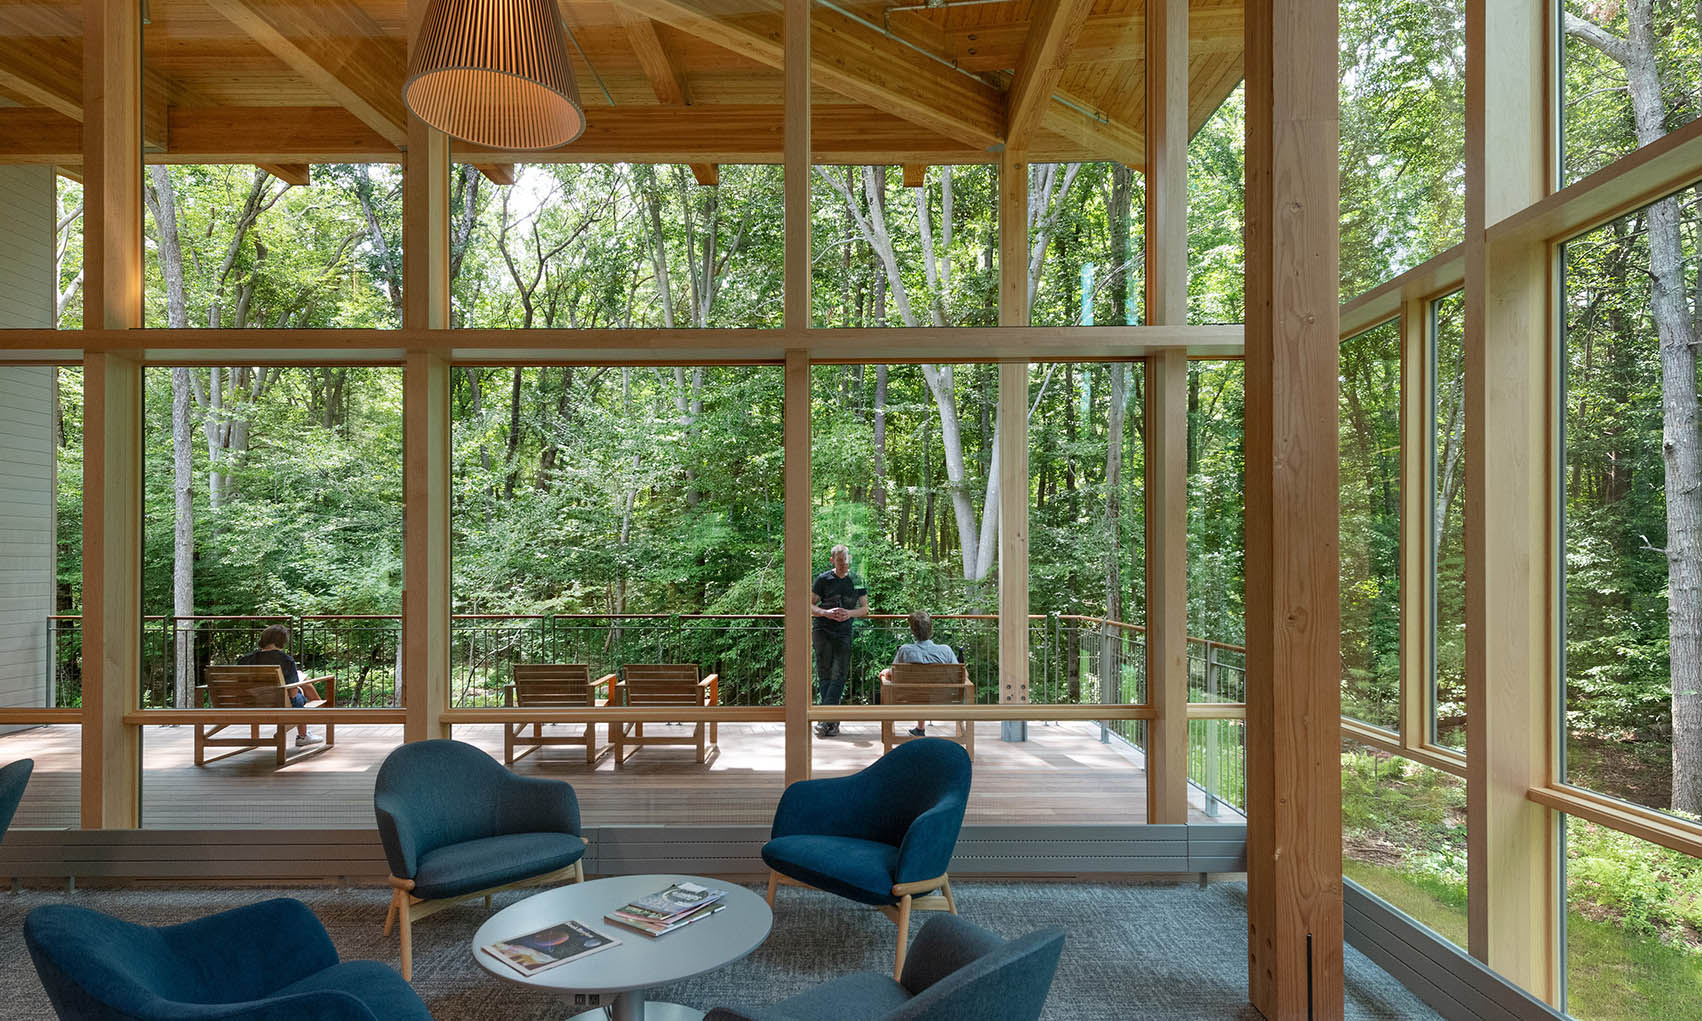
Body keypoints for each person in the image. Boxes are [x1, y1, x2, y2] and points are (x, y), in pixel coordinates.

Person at [810, 544, 868, 737]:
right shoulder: (823, 579)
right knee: (825, 674)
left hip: (844, 632)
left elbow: (864, 609)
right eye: (840, 560)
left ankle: (824, 721)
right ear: (832, 560)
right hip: (822, 630)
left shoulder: (857, 579)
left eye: (846, 559)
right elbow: (808, 605)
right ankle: (831, 723)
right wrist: (825, 612)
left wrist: (849, 613)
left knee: (839, 675)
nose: (844, 563)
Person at [239, 624, 322, 746]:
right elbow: (292, 694)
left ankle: (302, 734)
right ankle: (303, 736)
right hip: (278, 704)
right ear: (283, 641)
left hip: (249, 702)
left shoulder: (245, 659)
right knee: (298, 694)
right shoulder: (286, 660)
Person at [892, 610, 957, 737]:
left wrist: (885, 673)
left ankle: (918, 729)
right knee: (926, 690)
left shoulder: (905, 650)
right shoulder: (946, 651)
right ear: (931, 629)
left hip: (910, 698)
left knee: (921, 691)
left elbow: (894, 674)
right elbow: (960, 675)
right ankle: (920, 729)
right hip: (942, 699)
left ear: (912, 631)